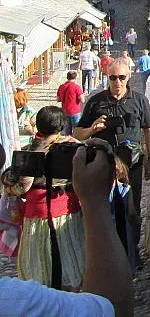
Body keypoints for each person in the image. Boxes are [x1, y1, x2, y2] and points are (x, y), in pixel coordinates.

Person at [0, 139, 134, 316]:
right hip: (61, 217)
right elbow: (110, 308)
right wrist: (94, 202)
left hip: (37, 223)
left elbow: (18, 187)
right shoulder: (15, 301)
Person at [74, 59, 150, 243]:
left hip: (131, 163)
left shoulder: (139, 100)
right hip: (104, 163)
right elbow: (78, 133)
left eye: (121, 77)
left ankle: (132, 252)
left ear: (128, 77)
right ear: (107, 78)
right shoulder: (96, 102)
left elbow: (149, 129)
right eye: (112, 78)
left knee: (132, 208)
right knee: (105, 208)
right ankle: (110, 250)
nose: (117, 82)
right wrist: (92, 130)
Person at [8, 106, 85, 289]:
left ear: (40, 125)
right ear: (61, 124)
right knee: (69, 256)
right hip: (68, 208)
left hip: (38, 213)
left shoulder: (33, 150)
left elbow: (23, 186)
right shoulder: (74, 146)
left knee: (39, 263)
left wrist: (9, 189)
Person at [56, 71, 86, 136]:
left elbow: (58, 99)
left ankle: (68, 143)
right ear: (75, 78)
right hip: (75, 111)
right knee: (77, 130)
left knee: (67, 130)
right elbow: (82, 100)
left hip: (65, 111)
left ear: (67, 77)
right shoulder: (76, 87)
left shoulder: (61, 87)